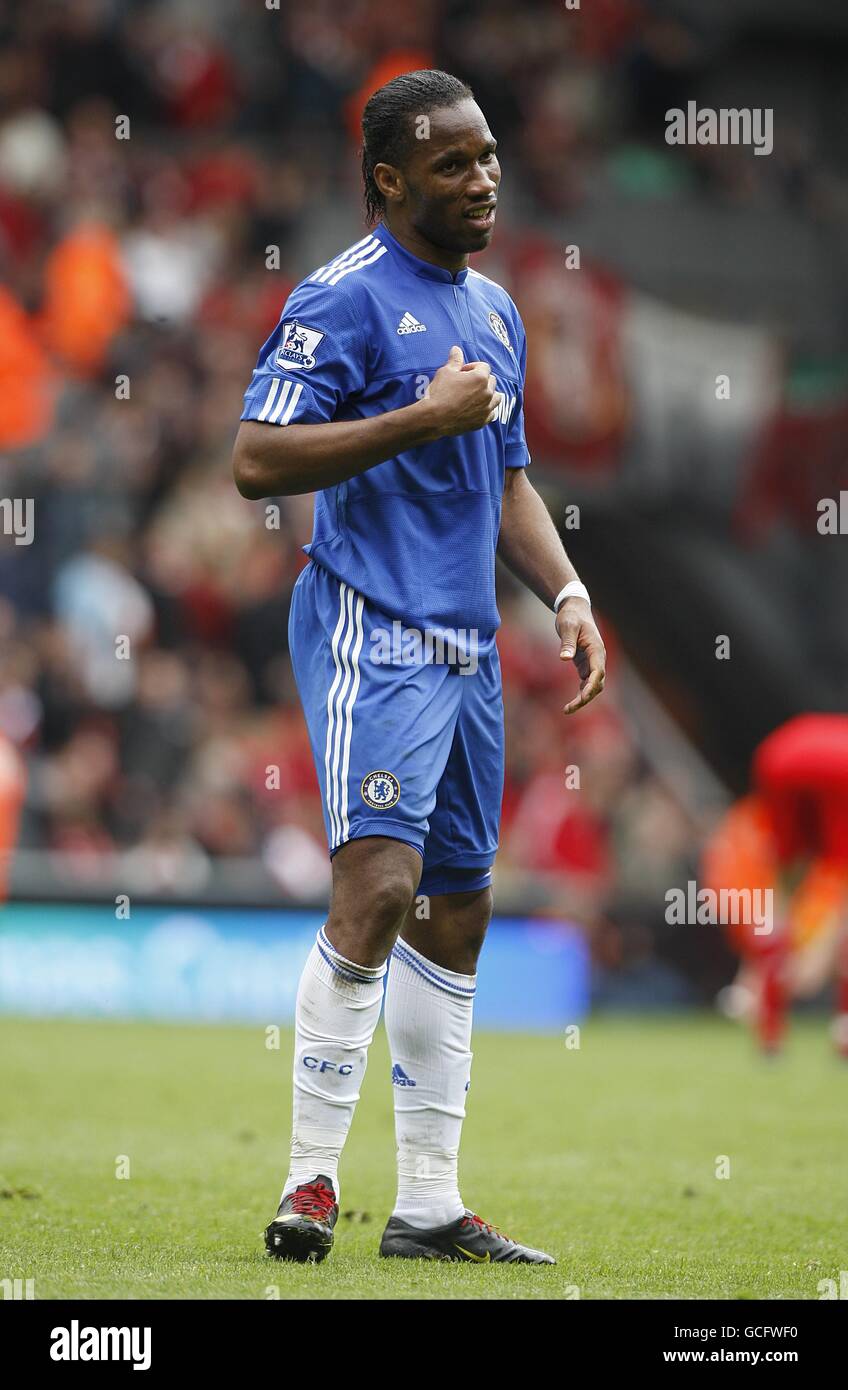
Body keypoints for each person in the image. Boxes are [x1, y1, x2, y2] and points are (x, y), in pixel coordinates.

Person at [232, 69, 606, 1265]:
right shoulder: (337, 300)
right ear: (389, 180)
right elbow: (254, 459)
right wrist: (412, 420)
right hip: (368, 626)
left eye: (489, 154)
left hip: (467, 645)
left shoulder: (494, 311)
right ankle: (308, 1184)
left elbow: (504, 477)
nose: (483, 175)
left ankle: (430, 1206)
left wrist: (566, 589)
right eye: (453, 162)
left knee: (456, 915)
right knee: (380, 890)